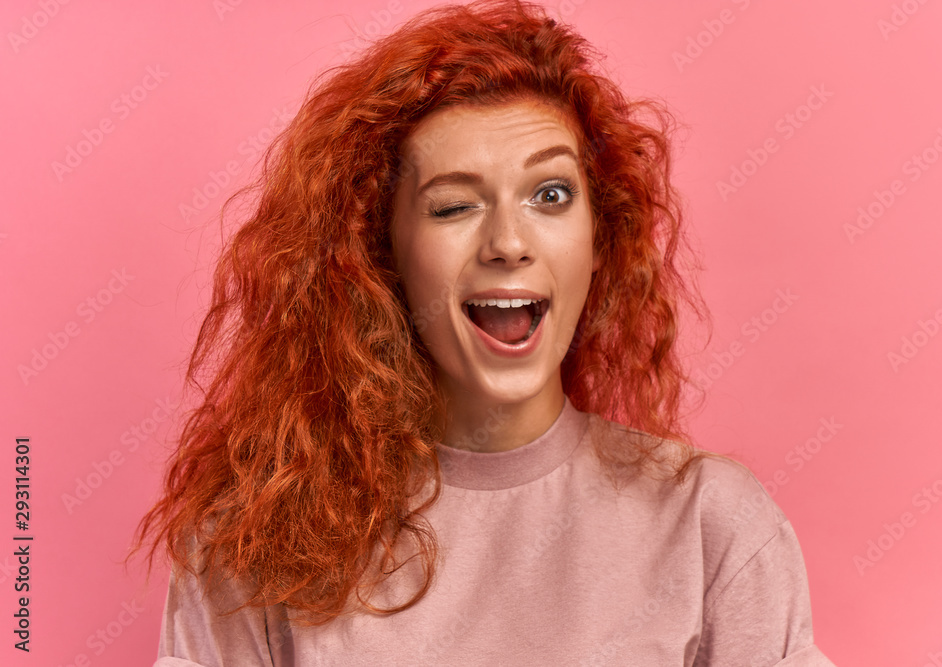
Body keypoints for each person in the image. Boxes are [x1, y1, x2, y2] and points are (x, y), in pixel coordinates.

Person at [132, 0, 836, 664]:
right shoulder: (253, 536)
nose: (508, 242)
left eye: (550, 195)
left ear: (600, 236)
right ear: (380, 251)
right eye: (453, 206)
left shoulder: (712, 527)